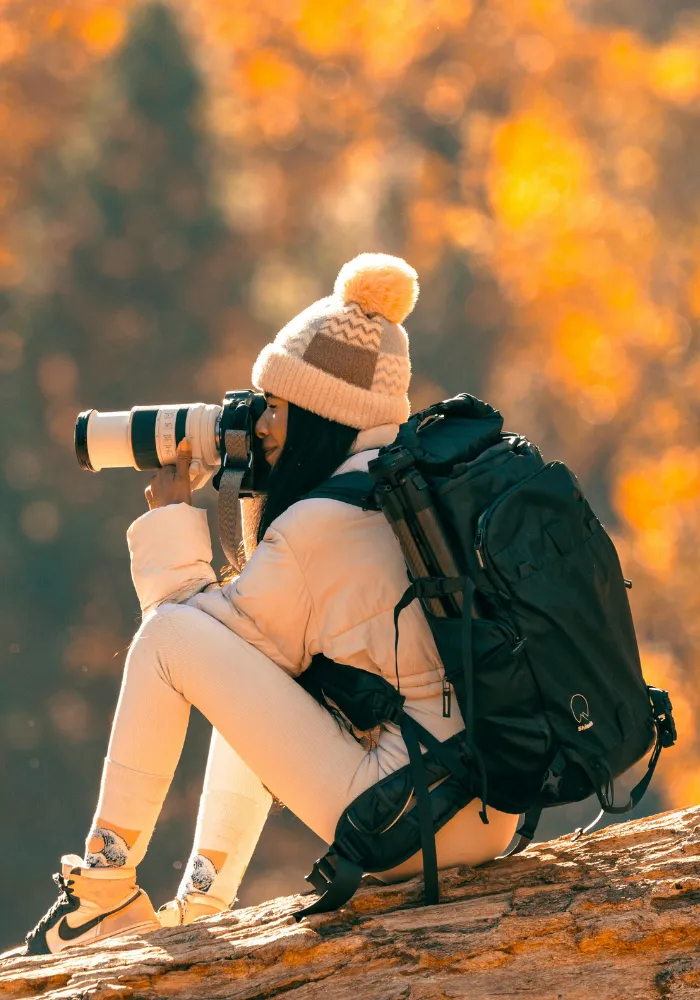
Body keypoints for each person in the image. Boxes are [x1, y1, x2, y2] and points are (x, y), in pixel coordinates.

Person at [18, 253, 518, 955]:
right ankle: (201, 903)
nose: (262, 428)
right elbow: (244, 669)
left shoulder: (319, 525)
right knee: (250, 667)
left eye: (277, 408)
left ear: (321, 416)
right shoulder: (396, 489)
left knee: (168, 640)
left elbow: (181, 640)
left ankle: (104, 891)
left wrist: (171, 517)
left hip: (412, 815)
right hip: (480, 804)